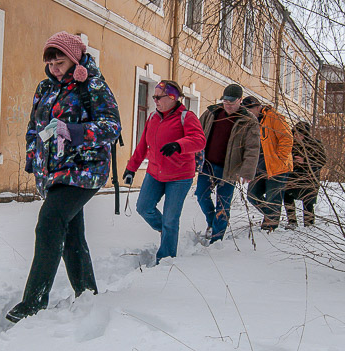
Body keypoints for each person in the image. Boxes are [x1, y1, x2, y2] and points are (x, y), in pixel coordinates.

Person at [7, 32, 121, 323]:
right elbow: (35, 127)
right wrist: (34, 158)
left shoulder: (92, 85)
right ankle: (86, 292)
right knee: (71, 233)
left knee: (49, 224)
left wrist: (75, 132)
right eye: (51, 62)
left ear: (75, 59)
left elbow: (112, 127)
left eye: (60, 62)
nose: (55, 68)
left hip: (86, 169)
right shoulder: (44, 88)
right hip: (53, 172)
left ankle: (33, 302)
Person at [122, 80, 206, 263]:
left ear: (172, 97)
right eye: (154, 97)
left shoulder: (186, 117)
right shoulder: (153, 117)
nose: (155, 100)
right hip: (154, 173)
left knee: (171, 218)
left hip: (180, 176)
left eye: (158, 97)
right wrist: (131, 168)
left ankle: (165, 259)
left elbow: (199, 140)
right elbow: (143, 145)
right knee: (143, 207)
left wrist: (179, 145)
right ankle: (166, 230)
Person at [194, 83, 261, 243]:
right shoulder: (211, 113)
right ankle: (213, 222)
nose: (228, 105)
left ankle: (217, 239)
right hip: (207, 165)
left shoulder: (249, 120)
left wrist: (247, 171)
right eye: (225, 102)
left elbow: (252, 148)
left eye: (232, 102)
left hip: (230, 169)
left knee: (223, 205)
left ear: (240, 100)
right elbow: (196, 131)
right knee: (201, 196)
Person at [243, 97, 293, 231]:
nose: (248, 113)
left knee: (273, 197)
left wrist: (280, 159)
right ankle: (272, 215)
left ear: (257, 107)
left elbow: (287, 138)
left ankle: (270, 226)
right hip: (259, 167)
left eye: (250, 110)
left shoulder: (273, 117)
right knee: (252, 195)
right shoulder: (252, 122)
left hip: (277, 167)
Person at [284, 120, 326, 227]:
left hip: (309, 178)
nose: (297, 136)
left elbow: (321, 161)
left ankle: (309, 223)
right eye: (295, 133)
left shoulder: (315, 145)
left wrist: (305, 161)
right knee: (287, 196)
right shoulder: (290, 144)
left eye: (300, 134)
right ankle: (292, 221)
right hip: (293, 176)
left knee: (308, 201)